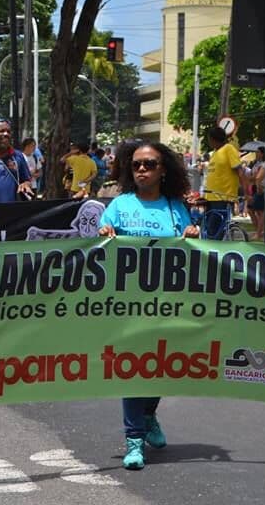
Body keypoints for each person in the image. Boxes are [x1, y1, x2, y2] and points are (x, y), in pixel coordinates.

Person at [97, 140, 199, 470]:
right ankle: (134, 439)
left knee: (161, 368)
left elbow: (189, 241)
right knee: (133, 369)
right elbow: (101, 239)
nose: (142, 169)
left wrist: (192, 232)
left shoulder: (174, 206)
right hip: (129, 305)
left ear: (163, 170)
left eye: (150, 164)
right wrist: (105, 231)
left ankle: (149, 413)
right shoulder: (120, 205)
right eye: (137, 164)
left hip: (168, 303)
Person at [202, 126, 249, 214]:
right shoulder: (215, 152)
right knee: (209, 226)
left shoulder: (229, 149)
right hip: (211, 197)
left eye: (209, 139)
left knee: (215, 226)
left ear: (213, 139)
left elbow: (240, 171)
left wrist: (246, 192)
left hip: (223, 197)